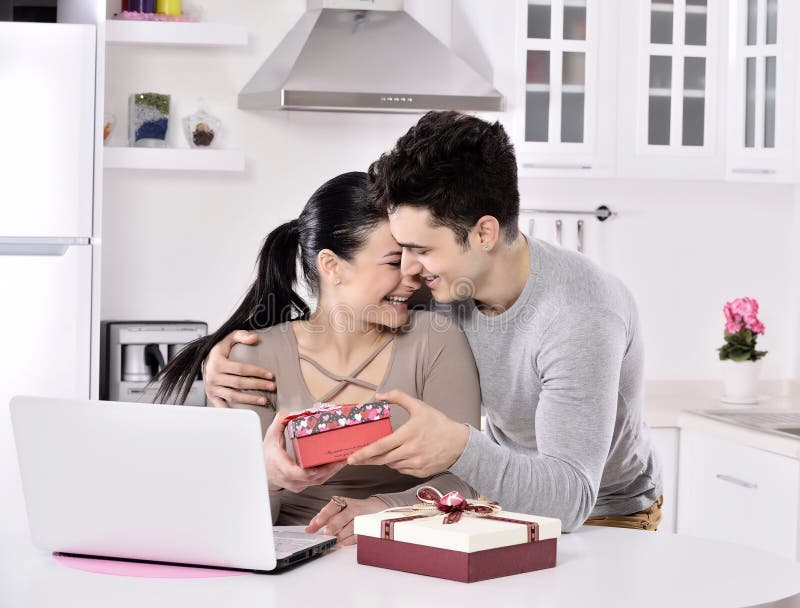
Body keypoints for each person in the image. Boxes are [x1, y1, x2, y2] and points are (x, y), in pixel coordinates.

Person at [204, 112, 663, 534]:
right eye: (399, 250)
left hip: (604, 513)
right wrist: (222, 361)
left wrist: (460, 447)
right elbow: (350, 299)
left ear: (483, 234)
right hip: (499, 501)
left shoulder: (579, 315)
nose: (409, 269)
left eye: (420, 250)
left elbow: (570, 500)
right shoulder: (447, 281)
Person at [155, 171, 481, 545]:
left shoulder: (435, 341)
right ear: (332, 266)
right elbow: (226, 518)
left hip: (405, 554)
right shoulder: (249, 360)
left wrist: (383, 509)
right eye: (394, 262)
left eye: (414, 257)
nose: (413, 275)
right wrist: (267, 476)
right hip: (289, 560)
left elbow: (468, 478)